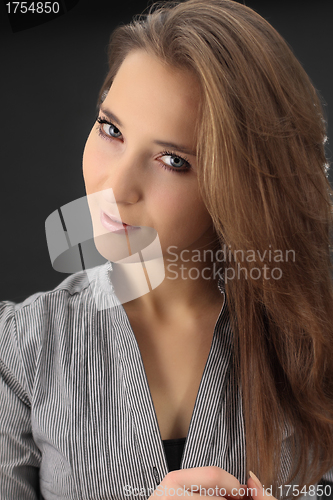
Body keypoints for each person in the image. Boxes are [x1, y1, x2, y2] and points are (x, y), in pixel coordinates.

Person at [1, 0, 333, 499]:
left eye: (173, 159)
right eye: (111, 129)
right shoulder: (18, 349)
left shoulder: (315, 345)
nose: (117, 186)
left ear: (241, 186)